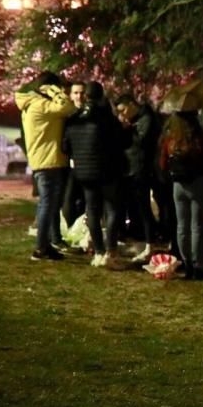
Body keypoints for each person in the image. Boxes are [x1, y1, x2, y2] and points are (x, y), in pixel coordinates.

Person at [62, 82, 127, 268]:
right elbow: (120, 141)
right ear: (100, 96)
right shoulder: (106, 118)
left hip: (84, 171)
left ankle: (98, 252)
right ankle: (111, 252)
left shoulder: (73, 118)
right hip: (107, 170)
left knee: (92, 210)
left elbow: (65, 146)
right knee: (112, 209)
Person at [14, 71, 75, 261]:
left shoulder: (33, 104)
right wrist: (54, 90)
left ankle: (46, 245)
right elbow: (67, 107)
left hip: (45, 160)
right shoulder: (41, 105)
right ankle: (41, 248)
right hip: (48, 162)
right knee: (47, 205)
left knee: (47, 205)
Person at [159, 110, 203, 280]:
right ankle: (198, 264)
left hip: (178, 184)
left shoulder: (171, 140)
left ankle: (186, 263)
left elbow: (163, 163)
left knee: (182, 226)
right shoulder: (198, 139)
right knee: (197, 226)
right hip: (198, 183)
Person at [117, 95, 159, 262]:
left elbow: (143, 142)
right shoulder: (136, 120)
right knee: (134, 207)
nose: (123, 114)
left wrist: (129, 129)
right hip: (130, 168)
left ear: (132, 104)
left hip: (140, 168)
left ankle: (150, 243)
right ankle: (140, 239)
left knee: (144, 207)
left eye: (124, 109)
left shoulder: (146, 119)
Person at [61, 81, 87, 227]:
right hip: (72, 164)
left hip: (88, 164)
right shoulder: (67, 117)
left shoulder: (92, 113)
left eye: (82, 93)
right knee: (69, 198)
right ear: (71, 95)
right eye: (76, 93)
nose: (79, 96)